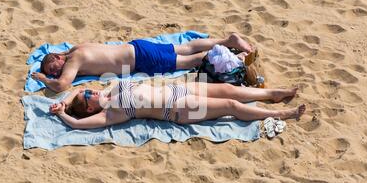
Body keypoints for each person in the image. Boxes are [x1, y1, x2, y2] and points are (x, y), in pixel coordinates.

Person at [31, 33, 254, 93]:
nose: (55, 73)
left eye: (53, 69)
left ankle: (231, 56)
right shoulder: (74, 49)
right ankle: (228, 40)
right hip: (137, 46)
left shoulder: (73, 60)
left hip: (140, 60)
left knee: (188, 61)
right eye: (52, 73)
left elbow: (62, 85)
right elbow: (56, 56)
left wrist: (42, 79)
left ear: (59, 59)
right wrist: (47, 67)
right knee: (185, 47)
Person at [49, 80, 306, 129]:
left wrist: (63, 102)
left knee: (228, 89)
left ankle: (274, 93)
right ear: (91, 109)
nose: (88, 92)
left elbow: (79, 90)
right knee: (229, 104)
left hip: (178, 89)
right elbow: (79, 125)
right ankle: (282, 113)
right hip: (179, 109)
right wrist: (64, 116)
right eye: (87, 98)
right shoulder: (112, 114)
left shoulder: (108, 90)